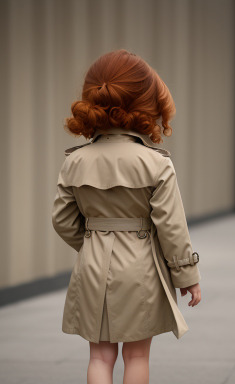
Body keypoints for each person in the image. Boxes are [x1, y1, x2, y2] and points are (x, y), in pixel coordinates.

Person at [52, 49, 201, 384]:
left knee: (100, 357)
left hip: (92, 267)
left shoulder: (75, 161)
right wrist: (187, 275)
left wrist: (93, 243)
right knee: (136, 356)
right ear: (147, 104)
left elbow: (62, 220)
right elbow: (171, 227)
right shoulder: (156, 163)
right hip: (140, 267)